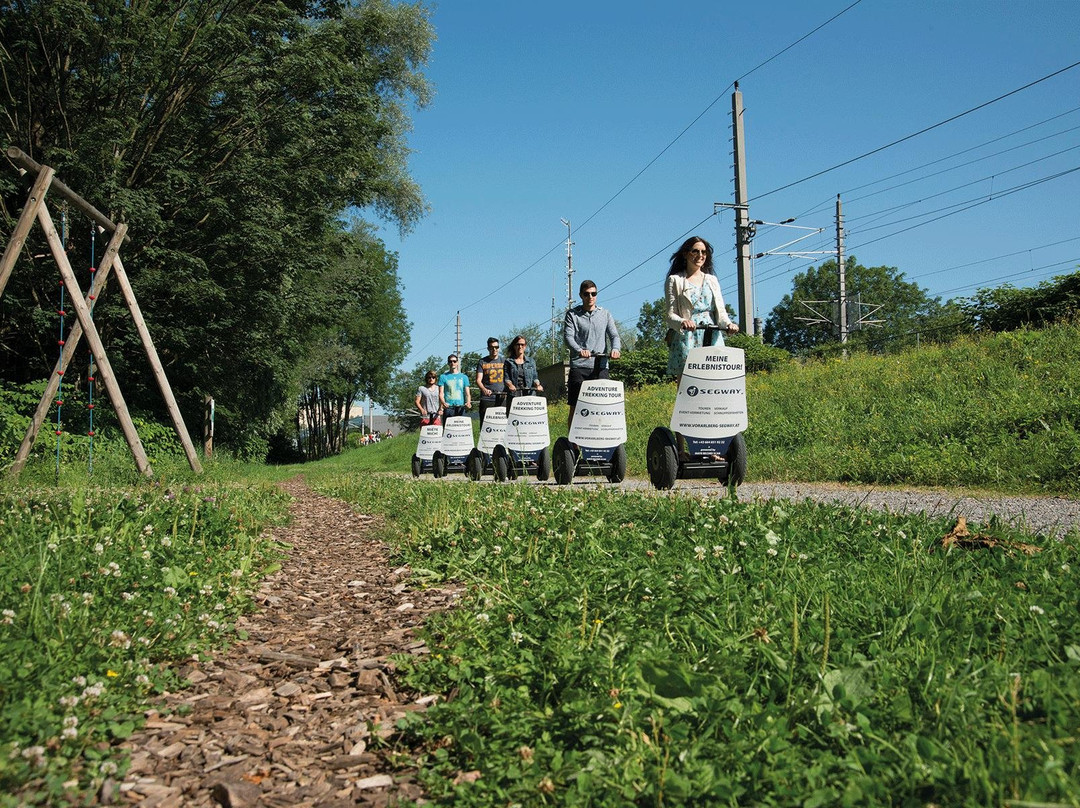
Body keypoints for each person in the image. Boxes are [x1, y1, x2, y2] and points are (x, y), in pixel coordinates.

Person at [665, 236, 738, 381]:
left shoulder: (712, 280)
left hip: (711, 333)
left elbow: (720, 311)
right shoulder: (675, 280)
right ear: (686, 254)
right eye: (695, 251)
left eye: (703, 252)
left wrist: (728, 324)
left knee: (714, 379)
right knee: (688, 383)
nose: (700, 256)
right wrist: (682, 322)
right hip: (688, 335)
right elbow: (670, 314)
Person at [564, 279, 620, 428]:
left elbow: (614, 335)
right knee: (576, 406)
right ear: (581, 295)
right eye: (587, 294)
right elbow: (568, 337)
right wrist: (579, 350)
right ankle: (574, 446)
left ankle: (601, 437)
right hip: (580, 366)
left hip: (600, 366)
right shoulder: (572, 315)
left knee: (602, 405)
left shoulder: (605, 314)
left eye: (593, 294)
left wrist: (615, 349)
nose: (590, 297)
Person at [503, 335, 543, 412]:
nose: (520, 347)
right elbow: (506, 378)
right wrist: (510, 385)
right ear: (514, 346)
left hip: (529, 395)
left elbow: (535, 377)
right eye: (518, 344)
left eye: (522, 345)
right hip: (514, 395)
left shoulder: (531, 361)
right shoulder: (508, 362)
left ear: (525, 346)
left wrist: (538, 385)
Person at [475, 337, 506, 423]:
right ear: (488, 348)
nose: (494, 349)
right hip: (487, 398)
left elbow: (508, 378)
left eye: (496, 347)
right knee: (486, 425)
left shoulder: (504, 361)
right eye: (492, 347)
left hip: (502, 398)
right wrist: (484, 389)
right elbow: (478, 380)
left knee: (502, 424)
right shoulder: (482, 362)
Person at [438, 354, 471, 420]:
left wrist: (468, 402)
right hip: (448, 407)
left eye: (454, 361)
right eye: (450, 361)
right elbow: (441, 393)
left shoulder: (464, 377)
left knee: (461, 429)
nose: (452, 363)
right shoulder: (443, 377)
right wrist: (443, 403)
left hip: (460, 407)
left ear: (457, 363)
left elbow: (467, 394)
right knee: (448, 429)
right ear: (448, 363)